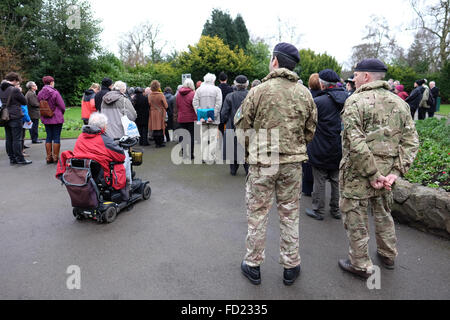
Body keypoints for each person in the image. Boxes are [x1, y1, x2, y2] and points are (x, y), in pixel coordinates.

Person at [235, 42, 317, 286]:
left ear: (275, 61)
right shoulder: (305, 93)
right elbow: (311, 128)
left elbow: (242, 125)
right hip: (292, 163)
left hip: (263, 162)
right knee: (290, 214)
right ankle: (291, 266)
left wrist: (253, 150)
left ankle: (253, 264)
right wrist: (295, 146)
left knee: (258, 214)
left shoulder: (258, 91)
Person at [338, 58, 419, 279]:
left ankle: (360, 263)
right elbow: (411, 142)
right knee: (383, 213)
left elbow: (356, 143)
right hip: (387, 176)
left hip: (359, 174)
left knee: (355, 216)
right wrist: (395, 173)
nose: (353, 79)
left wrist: (373, 174)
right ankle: (388, 254)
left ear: (366, 76)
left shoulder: (355, 102)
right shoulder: (401, 104)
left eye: (355, 75)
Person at [305, 69, 347, 221]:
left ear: (322, 84)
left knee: (320, 179)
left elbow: (308, 124)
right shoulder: (347, 99)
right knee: (336, 180)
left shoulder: (318, 102)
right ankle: (336, 210)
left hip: (320, 146)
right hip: (339, 145)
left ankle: (318, 210)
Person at [73, 112, 129, 200]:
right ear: (103, 127)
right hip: (101, 175)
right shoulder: (104, 139)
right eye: (106, 125)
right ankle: (125, 193)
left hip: (83, 173)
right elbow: (121, 156)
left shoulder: (81, 137)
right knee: (122, 162)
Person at [0, 73, 32, 165]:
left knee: (9, 138)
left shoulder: (1, 89)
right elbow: (24, 101)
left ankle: (12, 158)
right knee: (17, 139)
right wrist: (19, 91)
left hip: (5, 116)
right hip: (15, 116)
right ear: (14, 80)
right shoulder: (15, 90)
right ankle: (20, 159)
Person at [220, 75, 249, 176]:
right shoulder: (251, 95)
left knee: (232, 148)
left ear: (235, 84)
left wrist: (223, 121)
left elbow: (224, 113)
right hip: (247, 126)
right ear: (246, 84)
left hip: (232, 125)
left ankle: (233, 170)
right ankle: (247, 170)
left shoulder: (230, 96)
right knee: (246, 148)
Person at [193, 73, 222, 163]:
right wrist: (213, 115)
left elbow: (195, 102)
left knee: (204, 138)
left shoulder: (199, 90)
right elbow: (219, 103)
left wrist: (200, 114)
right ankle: (211, 157)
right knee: (213, 138)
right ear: (213, 80)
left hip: (202, 118)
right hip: (214, 118)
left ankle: (204, 156)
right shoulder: (217, 90)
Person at [37, 75, 66, 164]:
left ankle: (49, 157)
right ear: (51, 82)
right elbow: (62, 106)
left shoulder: (40, 93)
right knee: (56, 137)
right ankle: (55, 157)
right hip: (56, 117)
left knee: (48, 136)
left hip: (46, 117)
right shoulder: (55, 92)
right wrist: (61, 112)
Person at [174, 78, 197, 160]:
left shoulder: (178, 94)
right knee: (191, 136)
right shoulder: (193, 94)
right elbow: (195, 106)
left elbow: (177, 105)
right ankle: (191, 154)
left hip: (181, 118)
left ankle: (184, 153)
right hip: (191, 118)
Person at [148, 80, 168, 148]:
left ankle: (157, 143)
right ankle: (161, 142)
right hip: (160, 112)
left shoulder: (150, 95)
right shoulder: (161, 95)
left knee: (155, 128)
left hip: (153, 112)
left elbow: (149, 104)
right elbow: (166, 105)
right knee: (161, 128)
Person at [218, 72, 234, 137]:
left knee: (221, 126)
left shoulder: (217, 88)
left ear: (219, 80)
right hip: (228, 109)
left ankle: (222, 135)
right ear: (226, 79)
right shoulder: (230, 88)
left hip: (220, 108)